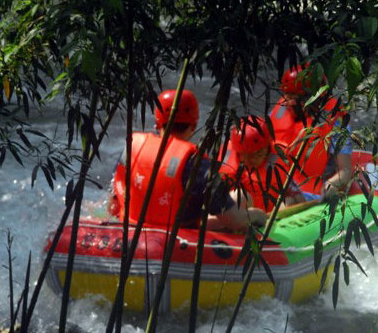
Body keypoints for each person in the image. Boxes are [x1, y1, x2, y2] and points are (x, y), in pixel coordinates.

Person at [108, 89, 266, 232]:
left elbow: (113, 207)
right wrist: (259, 216)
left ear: (157, 123)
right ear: (193, 125)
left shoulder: (131, 148)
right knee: (244, 199)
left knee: (242, 196)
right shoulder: (196, 164)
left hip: (130, 229)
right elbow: (235, 222)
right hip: (175, 239)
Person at [269, 63, 353, 200]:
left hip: (311, 189)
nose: (288, 103)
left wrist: (330, 188)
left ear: (312, 98)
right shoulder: (279, 111)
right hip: (279, 181)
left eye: (293, 97)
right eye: (287, 95)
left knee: (289, 202)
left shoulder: (337, 124)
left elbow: (345, 170)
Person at [219, 115, 305, 212]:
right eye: (244, 154)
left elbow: (294, 190)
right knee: (238, 196)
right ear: (237, 150)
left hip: (271, 218)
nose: (250, 160)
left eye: (256, 154)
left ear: (268, 148)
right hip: (241, 217)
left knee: (290, 202)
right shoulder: (227, 162)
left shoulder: (281, 158)